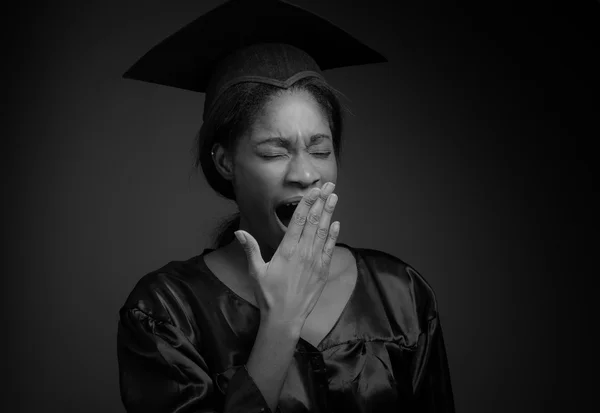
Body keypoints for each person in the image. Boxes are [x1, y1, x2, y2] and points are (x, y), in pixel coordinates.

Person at [116, 1, 455, 412]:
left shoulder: (399, 293)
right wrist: (282, 321)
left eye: (320, 148)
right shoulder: (167, 310)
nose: (306, 174)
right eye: (275, 152)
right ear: (225, 162)